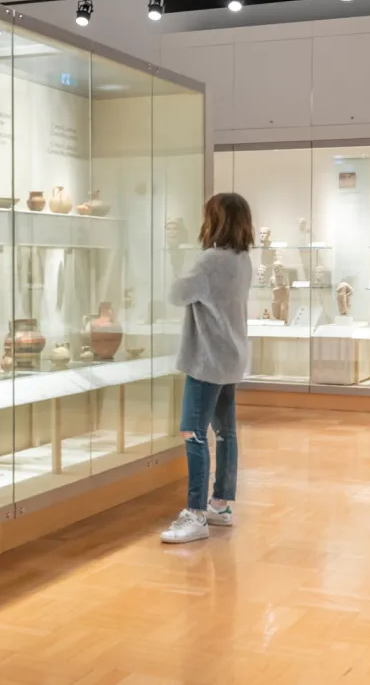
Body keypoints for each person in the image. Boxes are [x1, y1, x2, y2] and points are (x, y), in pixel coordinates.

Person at [160, 192, 254, 544]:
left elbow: (176, 294)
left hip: (206, 359)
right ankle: (220, 505)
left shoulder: (210, 260)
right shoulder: (242, 259)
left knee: (193, 432)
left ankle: (195, 513)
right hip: (230, 356)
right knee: (226, 433)